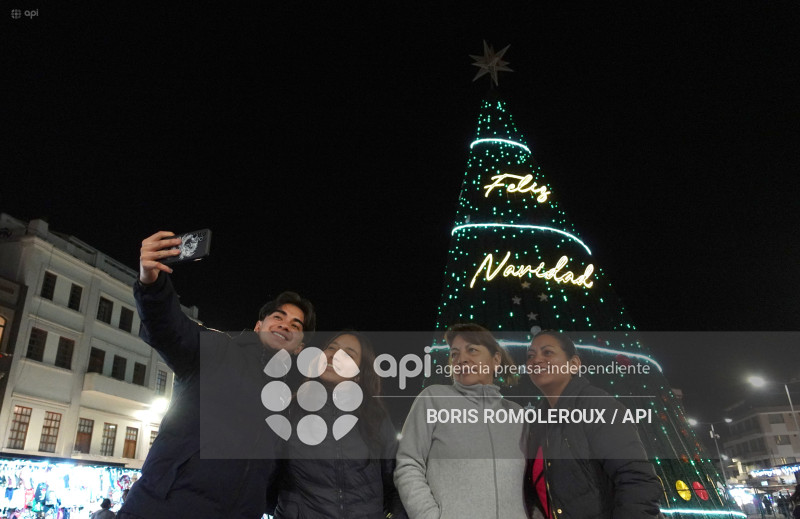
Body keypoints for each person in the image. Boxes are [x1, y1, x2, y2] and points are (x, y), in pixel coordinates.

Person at [117, 231, 316, 519]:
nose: (286, 325)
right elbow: (169, 328)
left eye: (296, 325)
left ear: (300, 347)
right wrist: (151, 282)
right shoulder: (217, 350)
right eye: (278, 317)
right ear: (258, 327)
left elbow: (281, 481)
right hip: (161, 509)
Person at [523, 330, 662, 518]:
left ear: (574, 364)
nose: (536, 360)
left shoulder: (597, 406)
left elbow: (637, 480)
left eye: (547, 352)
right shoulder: (538, 423)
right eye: (530, 356)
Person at [395, 323, 528, 519]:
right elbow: (408, 464)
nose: (461, 359)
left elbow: (532, 483)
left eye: (472, 350)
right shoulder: (433, 398)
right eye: (454, 354)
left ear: (496, 359)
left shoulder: (517, 415)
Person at [273, 331, 407, 518]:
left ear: (359, 375)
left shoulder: (375, 418)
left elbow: (397, 481)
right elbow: (262, 475)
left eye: (348, 354)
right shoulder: (290, 411)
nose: (334, 355)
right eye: (331, 348)